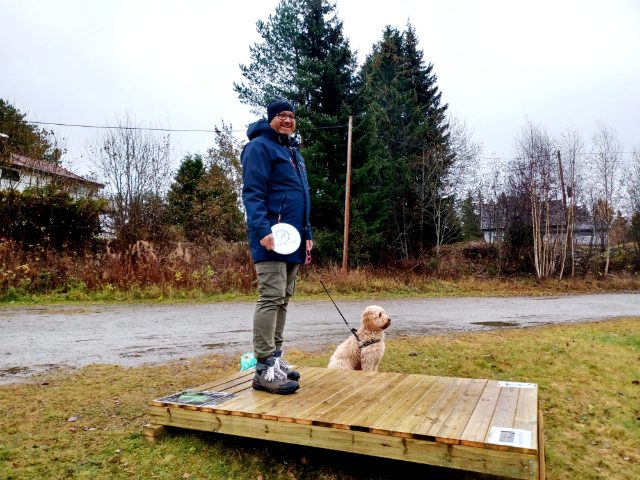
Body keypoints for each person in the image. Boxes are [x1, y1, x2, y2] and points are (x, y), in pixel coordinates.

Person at [241, 99, 313, 394]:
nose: (287, 120)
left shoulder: (293, 152)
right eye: (282, 115)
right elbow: (253, 193)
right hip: (272, 236)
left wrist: (307, 233)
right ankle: (262, 367)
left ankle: (276, 359)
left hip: (294, 238)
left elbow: (303, 198)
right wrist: (262, 230)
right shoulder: (259, 148)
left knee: (284, 297)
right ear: (270, 118)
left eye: (292, 116)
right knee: (270, 296)